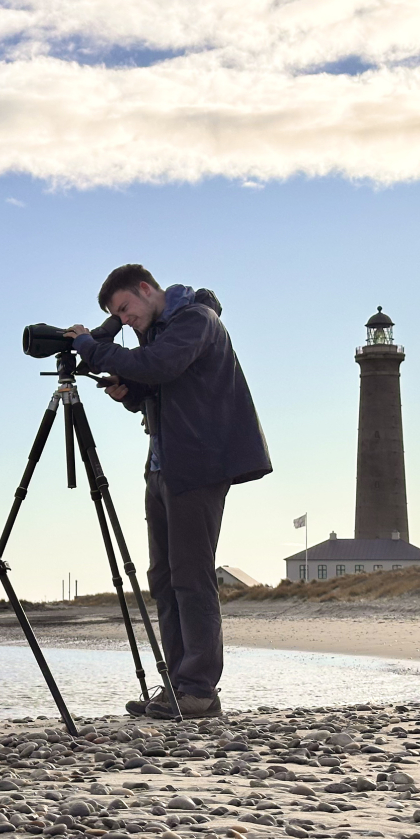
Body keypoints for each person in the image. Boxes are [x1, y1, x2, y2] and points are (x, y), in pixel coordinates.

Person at [65, 264, 271, 719]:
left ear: (145, 289)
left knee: (191, 578)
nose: (125, 320)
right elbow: (161, 386)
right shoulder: (158, 331)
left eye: (125, 309)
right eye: (118, 316)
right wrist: (129, 394)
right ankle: (177, 687)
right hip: (163, 466)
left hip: (197, 465)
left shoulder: (196, 319)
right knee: (163, 579)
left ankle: (200, 691)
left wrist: (92, 347)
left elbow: (161, 365)